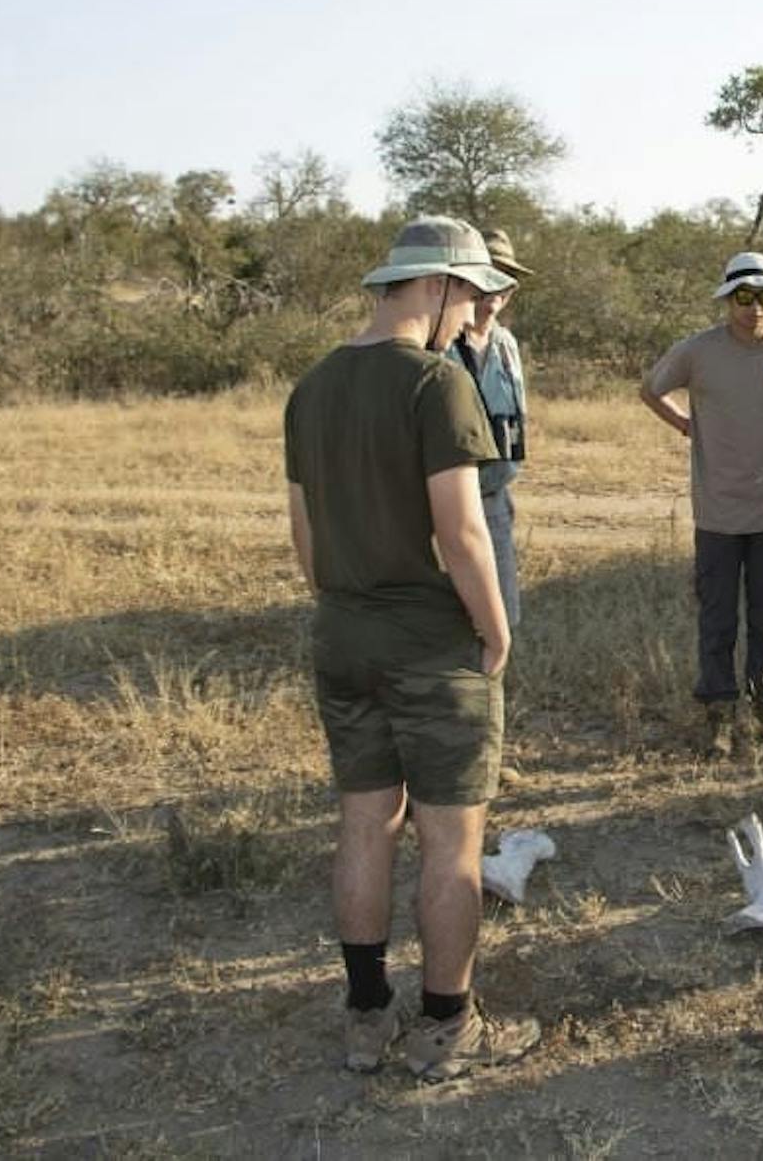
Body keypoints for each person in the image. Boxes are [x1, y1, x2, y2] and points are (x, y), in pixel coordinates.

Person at [283, 216, 538, 1081]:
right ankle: (445, 1027)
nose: (469, 315)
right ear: (432, 287)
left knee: (363, 822)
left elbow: (305, 540)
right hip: (431, 645)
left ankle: (365, 1015)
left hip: (343, 634)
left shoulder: (311, 388)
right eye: (465, 295)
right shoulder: (436, 383)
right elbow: (464, 531)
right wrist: (495, 626)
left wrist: (351, 599)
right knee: (449, 841)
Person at [640, 252, 763, 756]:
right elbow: (650, 389)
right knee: (718, 617)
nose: (754, 307)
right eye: (743, 296)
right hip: (717, 512)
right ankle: (719, 714)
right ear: (728, 300)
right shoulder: (699, 351)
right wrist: (685, 424)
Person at [451, 229, 530, 629]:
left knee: (500, 616)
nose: (494, 291)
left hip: (496, 497)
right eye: (488, 275)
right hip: (446, 499)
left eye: (505, 279)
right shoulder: (438, 345)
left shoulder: (506, 344)